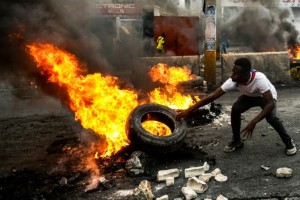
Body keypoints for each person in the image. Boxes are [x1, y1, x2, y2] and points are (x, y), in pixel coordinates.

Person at [176, 57, 297, 156]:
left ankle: (288, 141)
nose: (232, 75)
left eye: (236, 73)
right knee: (236, 109)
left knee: (271, 118)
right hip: (249, 96)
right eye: (232, 71)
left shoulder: (260, 79)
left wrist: (253, 121)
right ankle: (236, 141)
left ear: (245, 74)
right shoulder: (233, 81)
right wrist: (189, 110)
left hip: (265, 97)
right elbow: (212, 97)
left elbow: (270, 103)